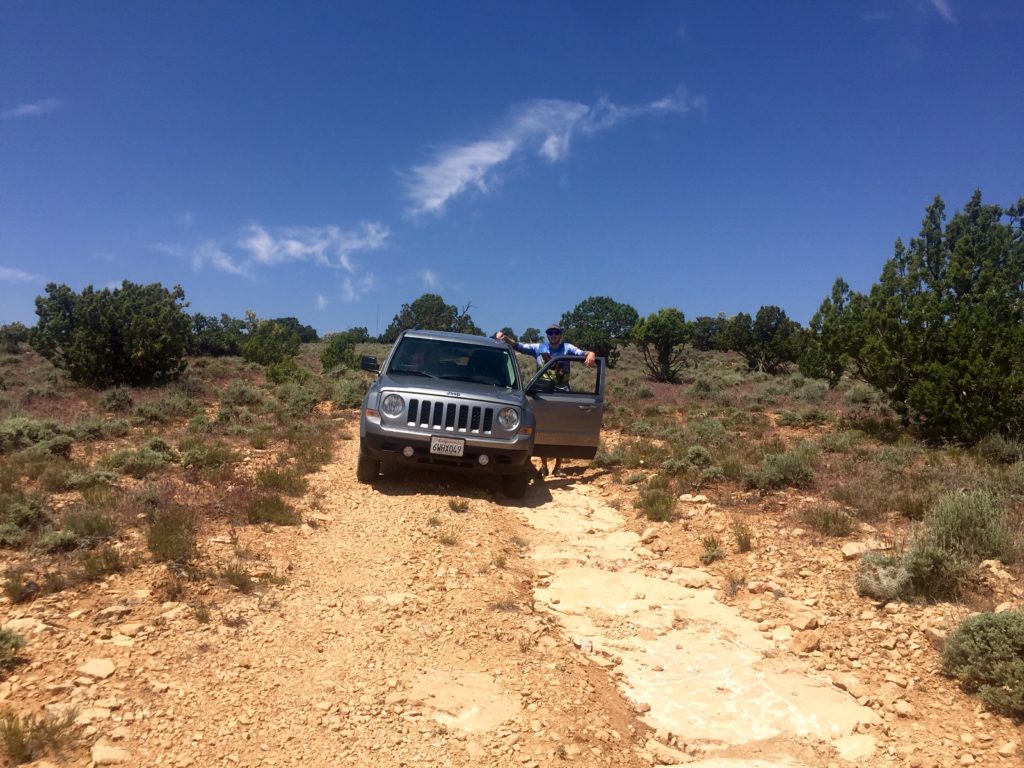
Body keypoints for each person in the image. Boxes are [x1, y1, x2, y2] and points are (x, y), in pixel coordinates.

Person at [495, 323, 596, 476]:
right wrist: (506, 338)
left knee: (561, 430)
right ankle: (543, 466)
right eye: (550, 332)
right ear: (547, 334)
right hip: (543, 395)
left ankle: (558, 467)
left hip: (563, 395)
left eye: (556, 332)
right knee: (541, 430)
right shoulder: (539, 348)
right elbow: (519, 347)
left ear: (560, 334)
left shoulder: (567, 348)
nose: (553, 335)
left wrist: (591, 354)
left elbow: (584, 353)